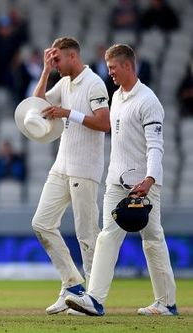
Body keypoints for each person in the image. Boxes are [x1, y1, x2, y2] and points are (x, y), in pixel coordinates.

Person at [65, 44, 178, 316]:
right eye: (108, 68)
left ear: (127, 65)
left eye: (113, 68)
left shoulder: (148, 101)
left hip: (143, 185)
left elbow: (155, 146)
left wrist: (149, 180)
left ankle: (167, 303)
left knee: (152, 239)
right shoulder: (116, 96)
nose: (110, 73)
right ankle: (94, 299)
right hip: (116, 183)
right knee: (107, 237)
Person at [29, 37, 110, 315]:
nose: (56, 65)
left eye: (58, 60)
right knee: (41, 223)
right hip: (61, 166)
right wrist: (44, 71)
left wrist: (67, 112)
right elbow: (35, 104)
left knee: (87, 234)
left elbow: (104, 123)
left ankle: (94, 298)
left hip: (85, 168)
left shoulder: (94, 83)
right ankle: (73, 285)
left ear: (73, 57)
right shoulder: (63, 83)